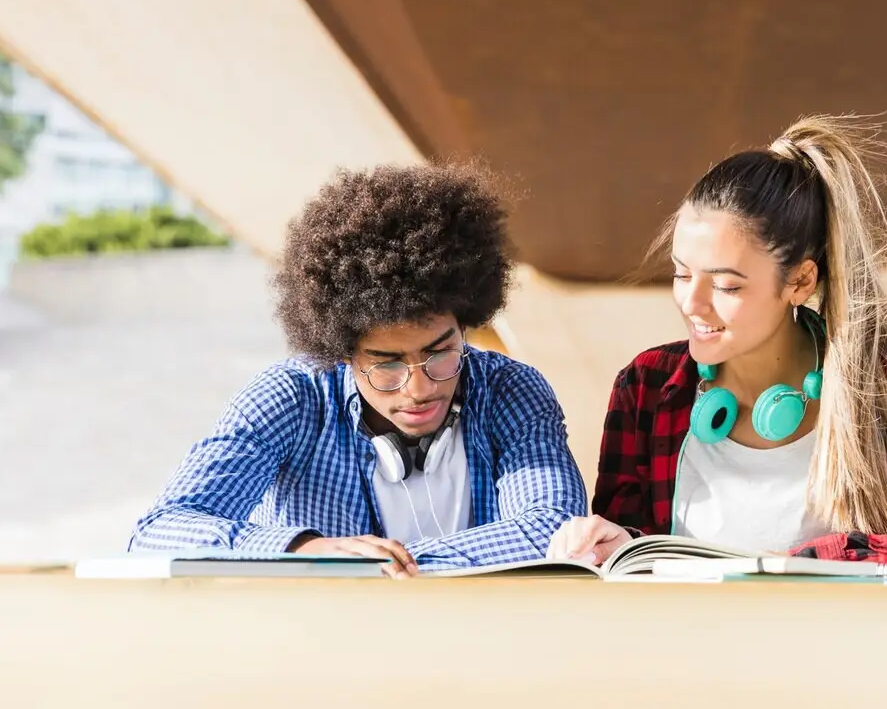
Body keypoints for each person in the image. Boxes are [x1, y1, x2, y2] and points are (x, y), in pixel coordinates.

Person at [548, 114, 887, 578]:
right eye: (682, 274)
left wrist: (842, 561)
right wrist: (616, 546)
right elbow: (634, 569)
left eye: (727, 285)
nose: (692, 303)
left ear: (798, 282)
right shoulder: (648, 387)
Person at [130, 162, 587, 576]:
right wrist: (305, 549)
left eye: (441, 353)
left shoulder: (512, 389)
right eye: (386, 365)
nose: (419, 388)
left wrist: (386, 567)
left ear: (465, 322)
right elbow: (159, 533)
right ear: (341, 350)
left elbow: (553, 529)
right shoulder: (290, 396)